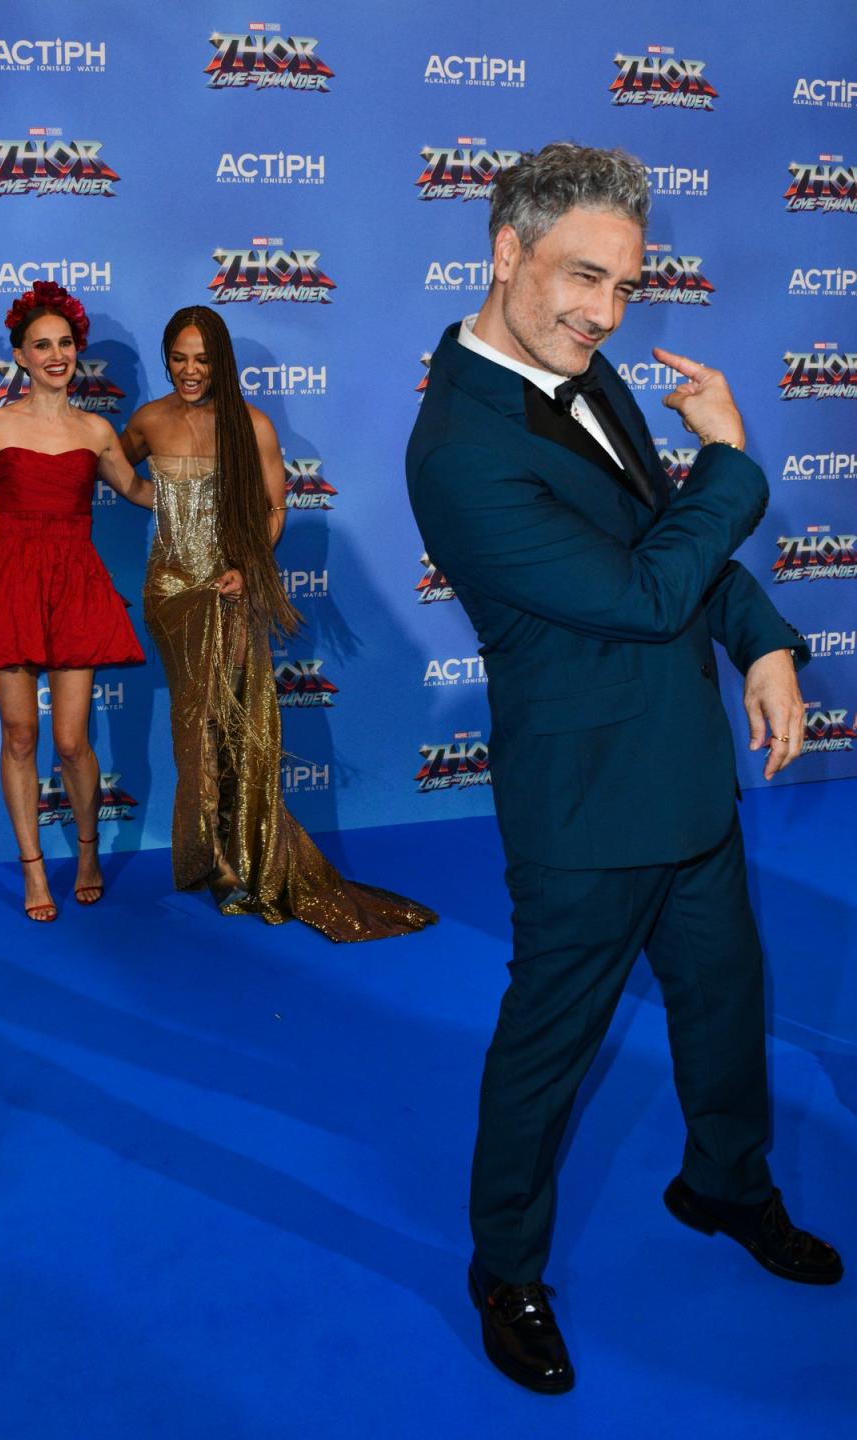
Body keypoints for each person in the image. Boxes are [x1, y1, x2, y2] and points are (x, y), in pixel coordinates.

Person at [406, 143, 842, 1394]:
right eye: (581, 278)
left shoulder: (584, 375)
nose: (603, 313)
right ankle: (504, 1268)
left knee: (724, 1005)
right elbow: (649, 592)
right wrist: (736, 463)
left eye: (623, 287)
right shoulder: (457, 448)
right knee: (548, 1050)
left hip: (690, 777)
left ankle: (724, 1186)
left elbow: (662, 529)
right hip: (587, 808)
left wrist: (760, 640)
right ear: (507, 253)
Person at [121, 306, 436, 942]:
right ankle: (213, 857)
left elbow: (274, 509)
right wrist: (166, 499)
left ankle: (251, 856)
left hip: (232, 591)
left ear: (221, 361)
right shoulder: (148, 420)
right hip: (170, 593)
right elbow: (124, 475)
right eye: (178, 358)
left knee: (241, 721)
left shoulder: (251, 425)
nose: (189, 370)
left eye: (202, 359)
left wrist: (248, 564)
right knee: (195, 729)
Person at [0, 281, 153, 921]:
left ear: (75, 351)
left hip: (74, 581)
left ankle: (86, 851)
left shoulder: (96, 429)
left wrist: (203, 490)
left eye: (65, 344)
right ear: (21, 357)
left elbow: (136, 491)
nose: (56, 354)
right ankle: (33, 869)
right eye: (41, 345)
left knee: (73, 741)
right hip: (7, 579)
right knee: (21, 735)